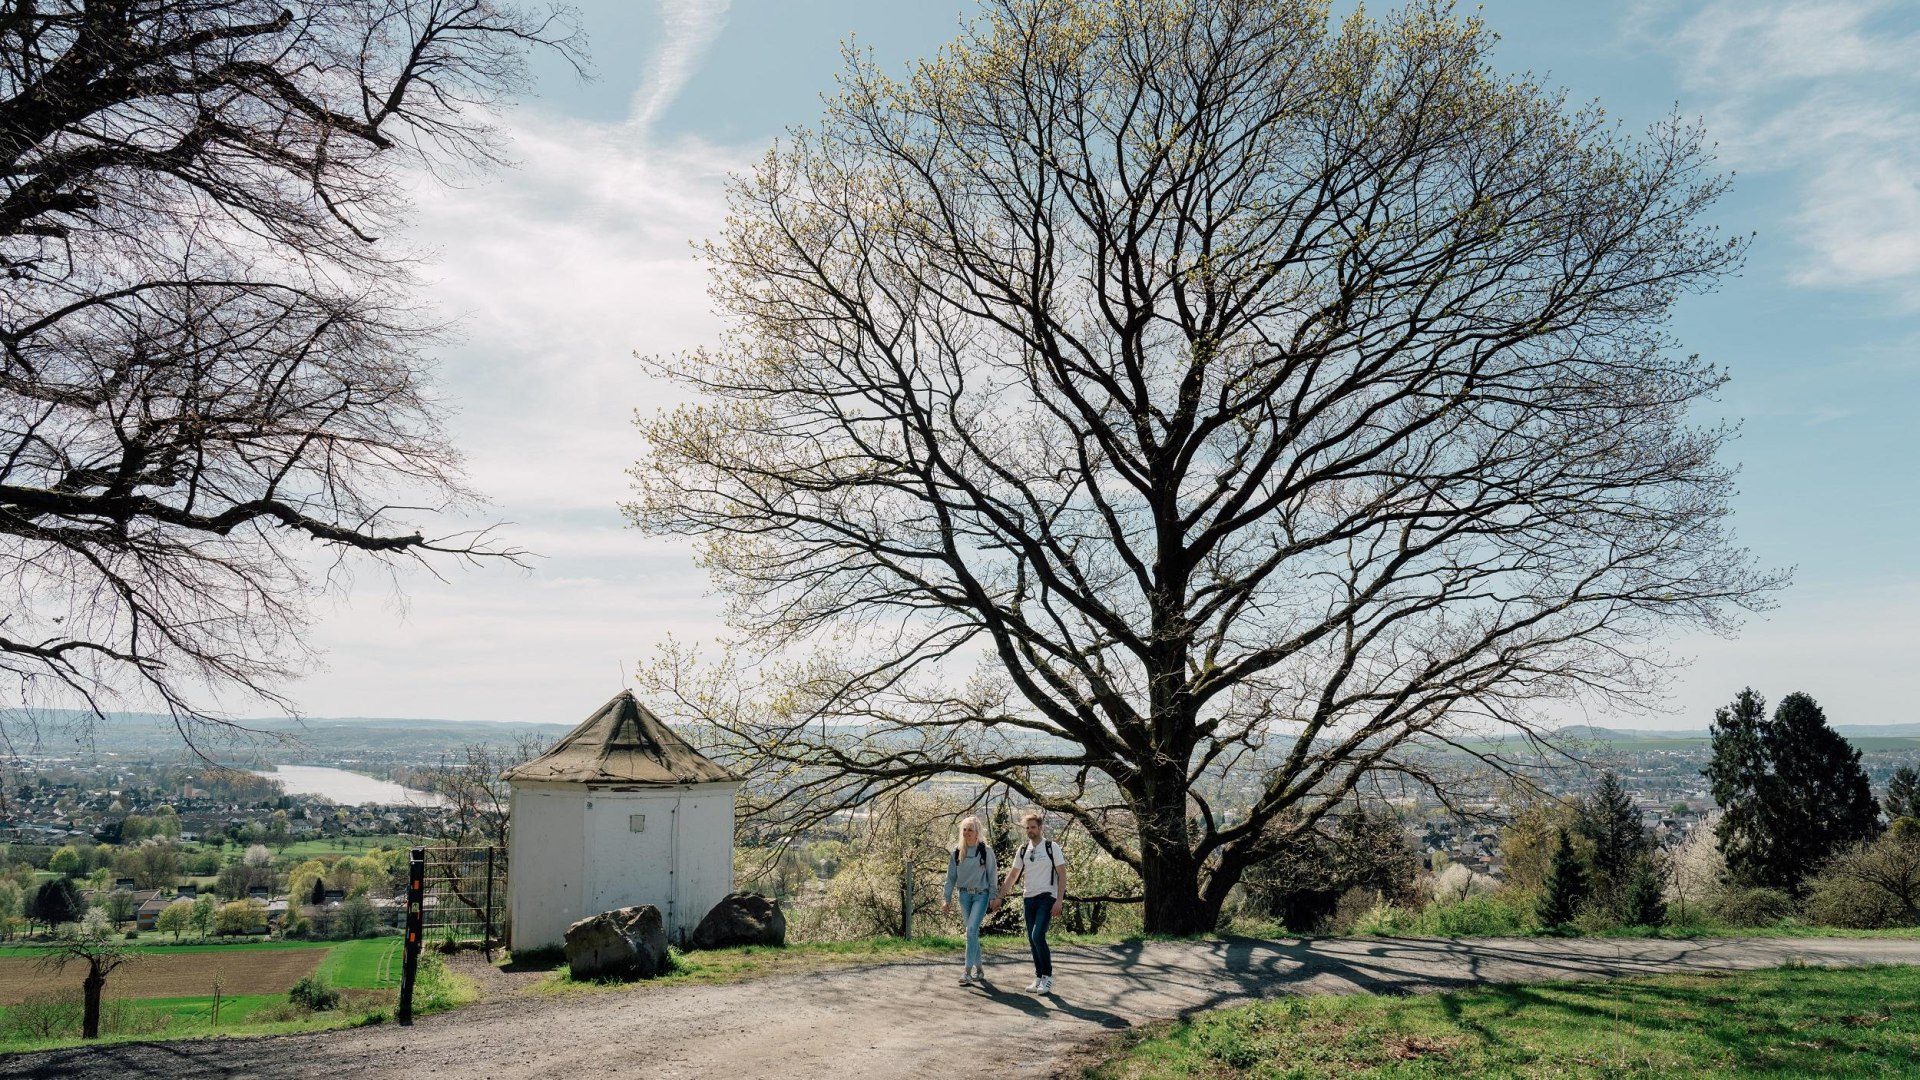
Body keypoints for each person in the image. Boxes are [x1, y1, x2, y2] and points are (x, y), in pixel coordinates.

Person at [999, 809, 1066, 994]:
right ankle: (1038, 977)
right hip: (1028, 898)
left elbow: (1062, 874)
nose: (1030, 830)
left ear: (1040, 828)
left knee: (1038, 936)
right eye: (1027, 827)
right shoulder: (1023, 850)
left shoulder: (1052, 847)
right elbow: (1013, 875)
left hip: (1047, 897)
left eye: (1033, 827)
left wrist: (1059, 900)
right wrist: (1000, 897)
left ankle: (1047, 977)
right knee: (1031, 939)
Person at [941, 815, 1000, 986]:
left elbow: (992, 875)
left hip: (981, 895)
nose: (966, 833)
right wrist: (947, 899)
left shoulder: (986, 851)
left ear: (977, 833)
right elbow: (950, 877)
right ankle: (979, 969)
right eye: (964, 830)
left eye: (970, 830)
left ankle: (967, 972)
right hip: (964, 895)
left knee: (971, 929)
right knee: (971, 933)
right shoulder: (957, 851)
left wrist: (993, 896)